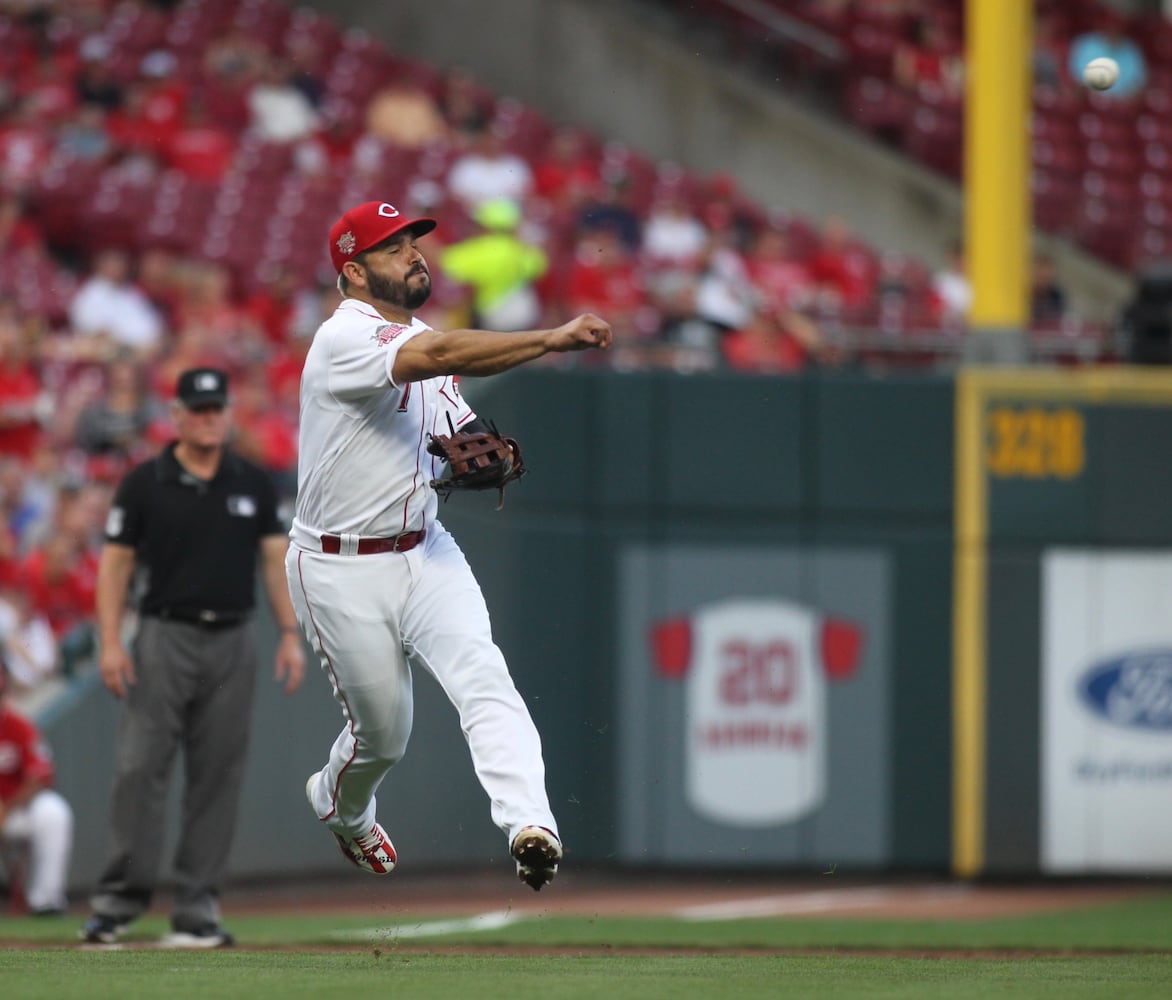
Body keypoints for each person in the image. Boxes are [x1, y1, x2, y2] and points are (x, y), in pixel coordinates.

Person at [289, 199, 611, 891]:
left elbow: (453, 432)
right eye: (391, 246)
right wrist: (550, 339)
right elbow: (431, 355)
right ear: (353, 270)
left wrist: (475, 458)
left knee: (483, 677)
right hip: (338, 567)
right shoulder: (342, 339)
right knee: (384, 736)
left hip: (425, 550)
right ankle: (342, 809)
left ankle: (531, 825)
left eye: (413, 240)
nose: (413, 253)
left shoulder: (426, 341)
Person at [79, 367, 305, 948]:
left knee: (217, 777)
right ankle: (116, 904)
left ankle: (198, 907)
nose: (209, 419)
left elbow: (274, 560)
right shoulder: (145, 482)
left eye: (216, 409)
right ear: (175, 416)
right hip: (164, 634)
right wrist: (109, 641)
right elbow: (116, 566)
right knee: (138, 770)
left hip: (233, 638)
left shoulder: (251, 483)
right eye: (198, 410)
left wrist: (287, 632)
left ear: (228, 414)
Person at [0, 659, 73, 915]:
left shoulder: (18, 726)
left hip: (13, 811)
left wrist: (7, 808)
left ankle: (47, 901)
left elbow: (40, 776)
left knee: (53, 812)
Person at [438, 197, 549, 330]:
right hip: (526, 317)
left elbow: (444, 261)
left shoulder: (484, 249)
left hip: (494, 319)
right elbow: (539, 266)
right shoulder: (522, 248)